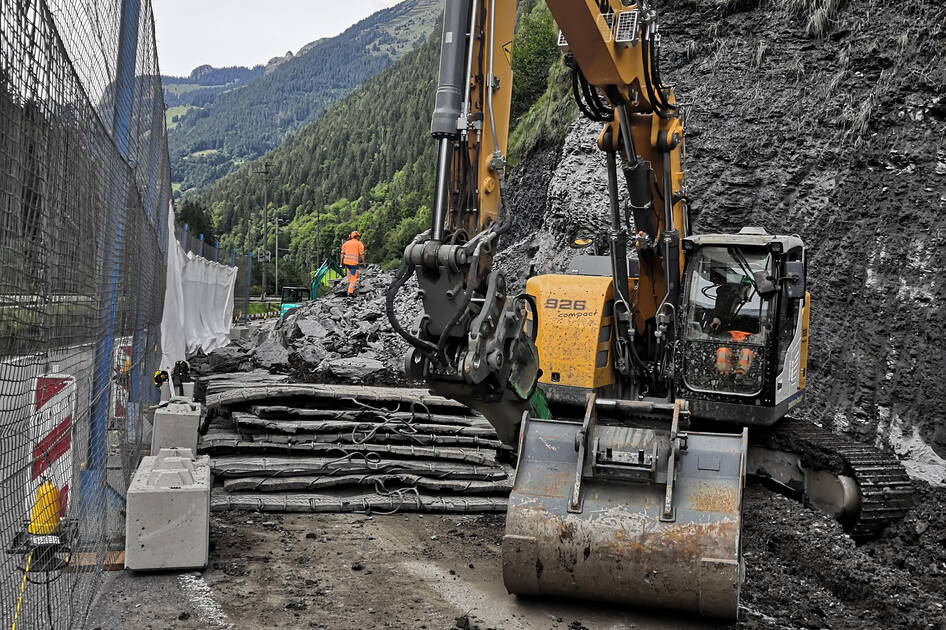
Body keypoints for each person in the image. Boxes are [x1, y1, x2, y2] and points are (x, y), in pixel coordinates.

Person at [340, 231, 366, 297]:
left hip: (346, 263)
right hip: (354, 264)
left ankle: (350, 288)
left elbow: (342, 254)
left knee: (349, 277)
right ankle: (350, 292)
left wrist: (341, 263)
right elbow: (362, 254)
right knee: (354, 278)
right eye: (358, 236)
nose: (359, 238)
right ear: (356, 236)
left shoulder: (346, 244)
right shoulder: (359, 243)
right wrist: (364, 263)